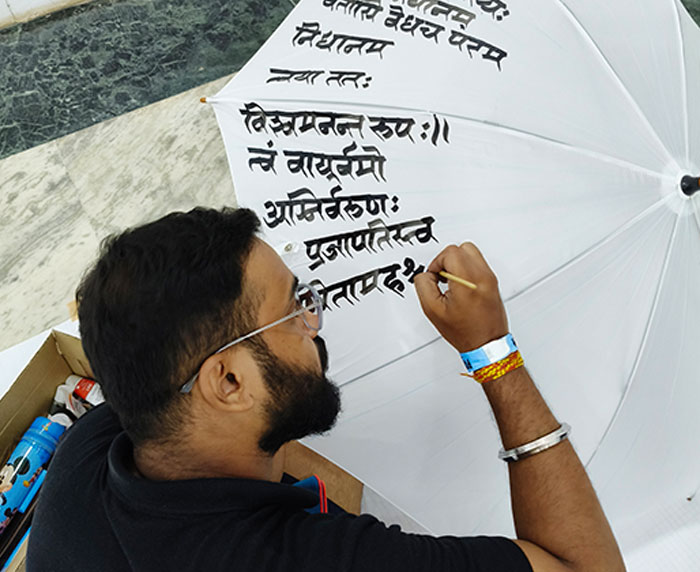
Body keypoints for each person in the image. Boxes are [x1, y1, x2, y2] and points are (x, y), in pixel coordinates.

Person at [27, 207, 625, 571]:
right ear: (228, 381)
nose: (314, 322)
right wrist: (493, 353)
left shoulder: (96, 447)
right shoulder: (318, 559)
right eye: (294, 311)